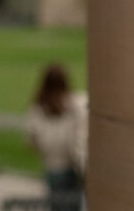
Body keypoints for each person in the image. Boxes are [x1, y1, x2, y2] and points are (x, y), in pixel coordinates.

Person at [25, 63, 87, 211]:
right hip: (72, 166)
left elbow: (32, 141)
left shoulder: (38, 109)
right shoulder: (73, 105)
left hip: (53, 168)